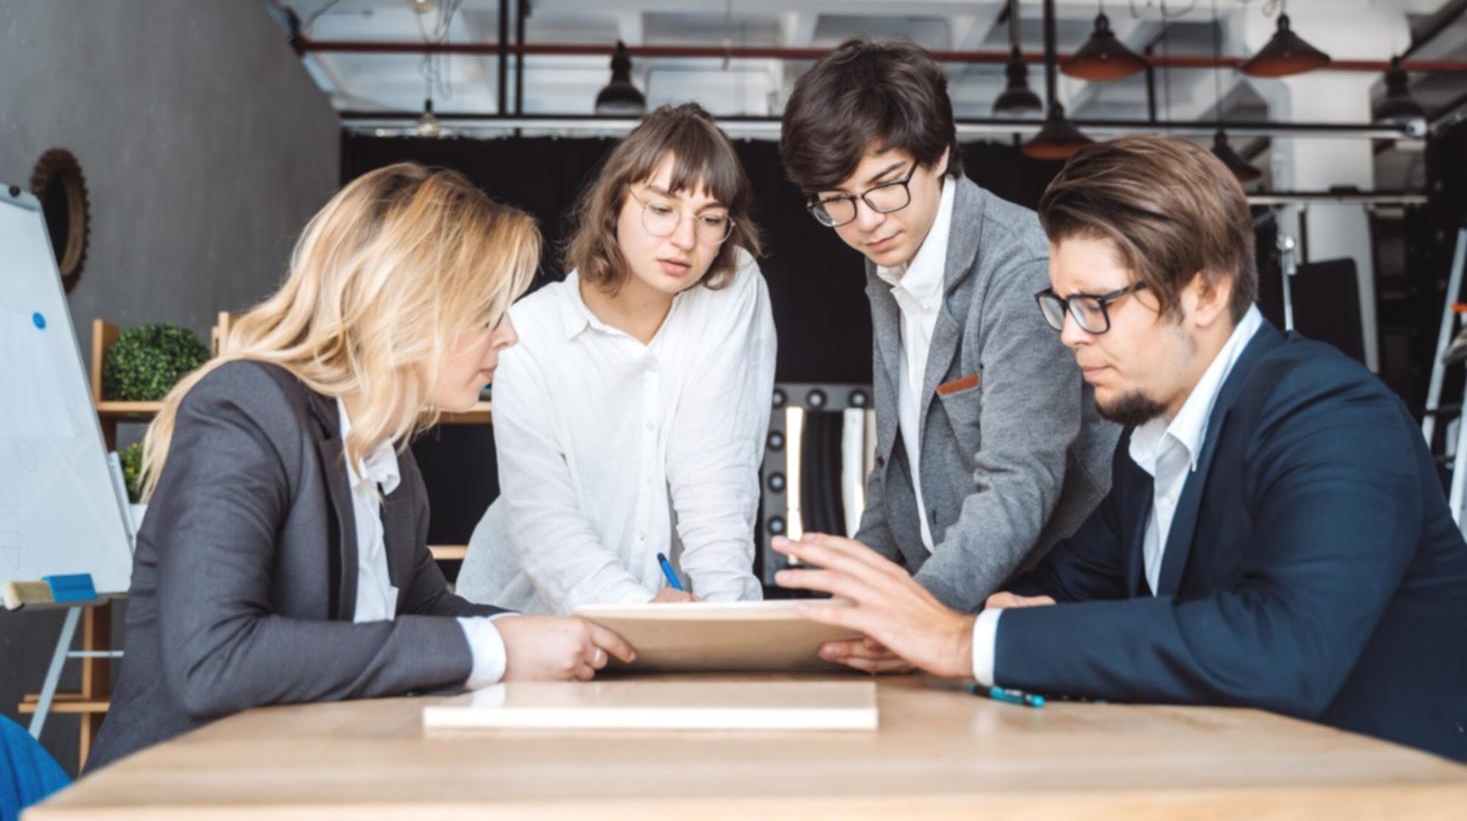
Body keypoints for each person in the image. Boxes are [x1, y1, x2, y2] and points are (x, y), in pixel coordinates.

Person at [773, 135, 1467, 762]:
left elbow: (1282, 648)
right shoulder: (1145, 449)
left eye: (1094, 305)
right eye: (1062, 305)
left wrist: (965, 643)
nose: (1070, 334)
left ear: (1203, 291)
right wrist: (952, 622)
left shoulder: (1331, 417)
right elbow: (1063, 594)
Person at [88, 164, 635, 772]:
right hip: (178, 797)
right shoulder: (243, 410)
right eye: (488, 311)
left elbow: (426, 610)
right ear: (409, 305)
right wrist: (496, 646)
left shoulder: (387, 455)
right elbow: (213, 659)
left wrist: (584, 635)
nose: (508, 335)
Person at [778, 38, 1118, 635]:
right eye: (836, 200)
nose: (865, 222)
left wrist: (916, 615)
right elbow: (897, 464)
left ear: (938, 154)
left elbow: (1021, 480)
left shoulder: (1022, 268)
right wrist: (854, 602)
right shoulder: (888, 251)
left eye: (885, 184)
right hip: (947, 596)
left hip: (1044, 597)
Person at [457, 104, 775, 614]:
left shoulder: (730, 287)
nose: (686, 239)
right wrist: (640, 614)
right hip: (530, 616)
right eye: (661, 209)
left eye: (710, 218)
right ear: (614, 206)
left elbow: (718, 472)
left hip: (673, 623)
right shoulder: (530, 333)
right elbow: (543, 521)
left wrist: (726, 626)